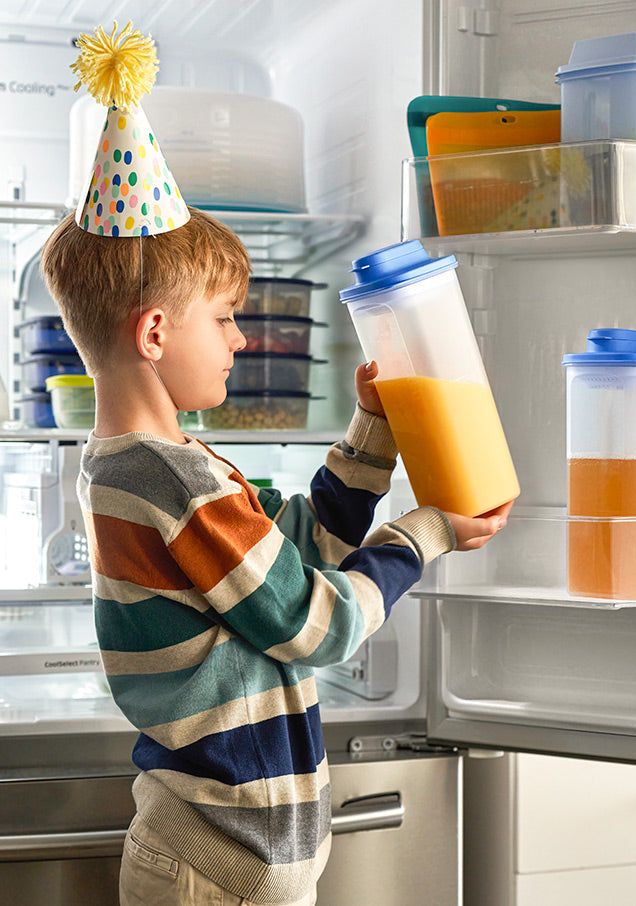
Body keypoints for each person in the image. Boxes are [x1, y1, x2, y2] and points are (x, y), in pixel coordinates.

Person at [44, 22, 512, 904]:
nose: (241, 337)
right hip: (210, 869)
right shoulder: (168, 480)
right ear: (154, 332)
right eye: (224, 317)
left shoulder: (154, 465)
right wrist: (428, 533)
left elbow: (287, 560)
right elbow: (315, 624)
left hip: (223, 864)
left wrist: (371, 434)